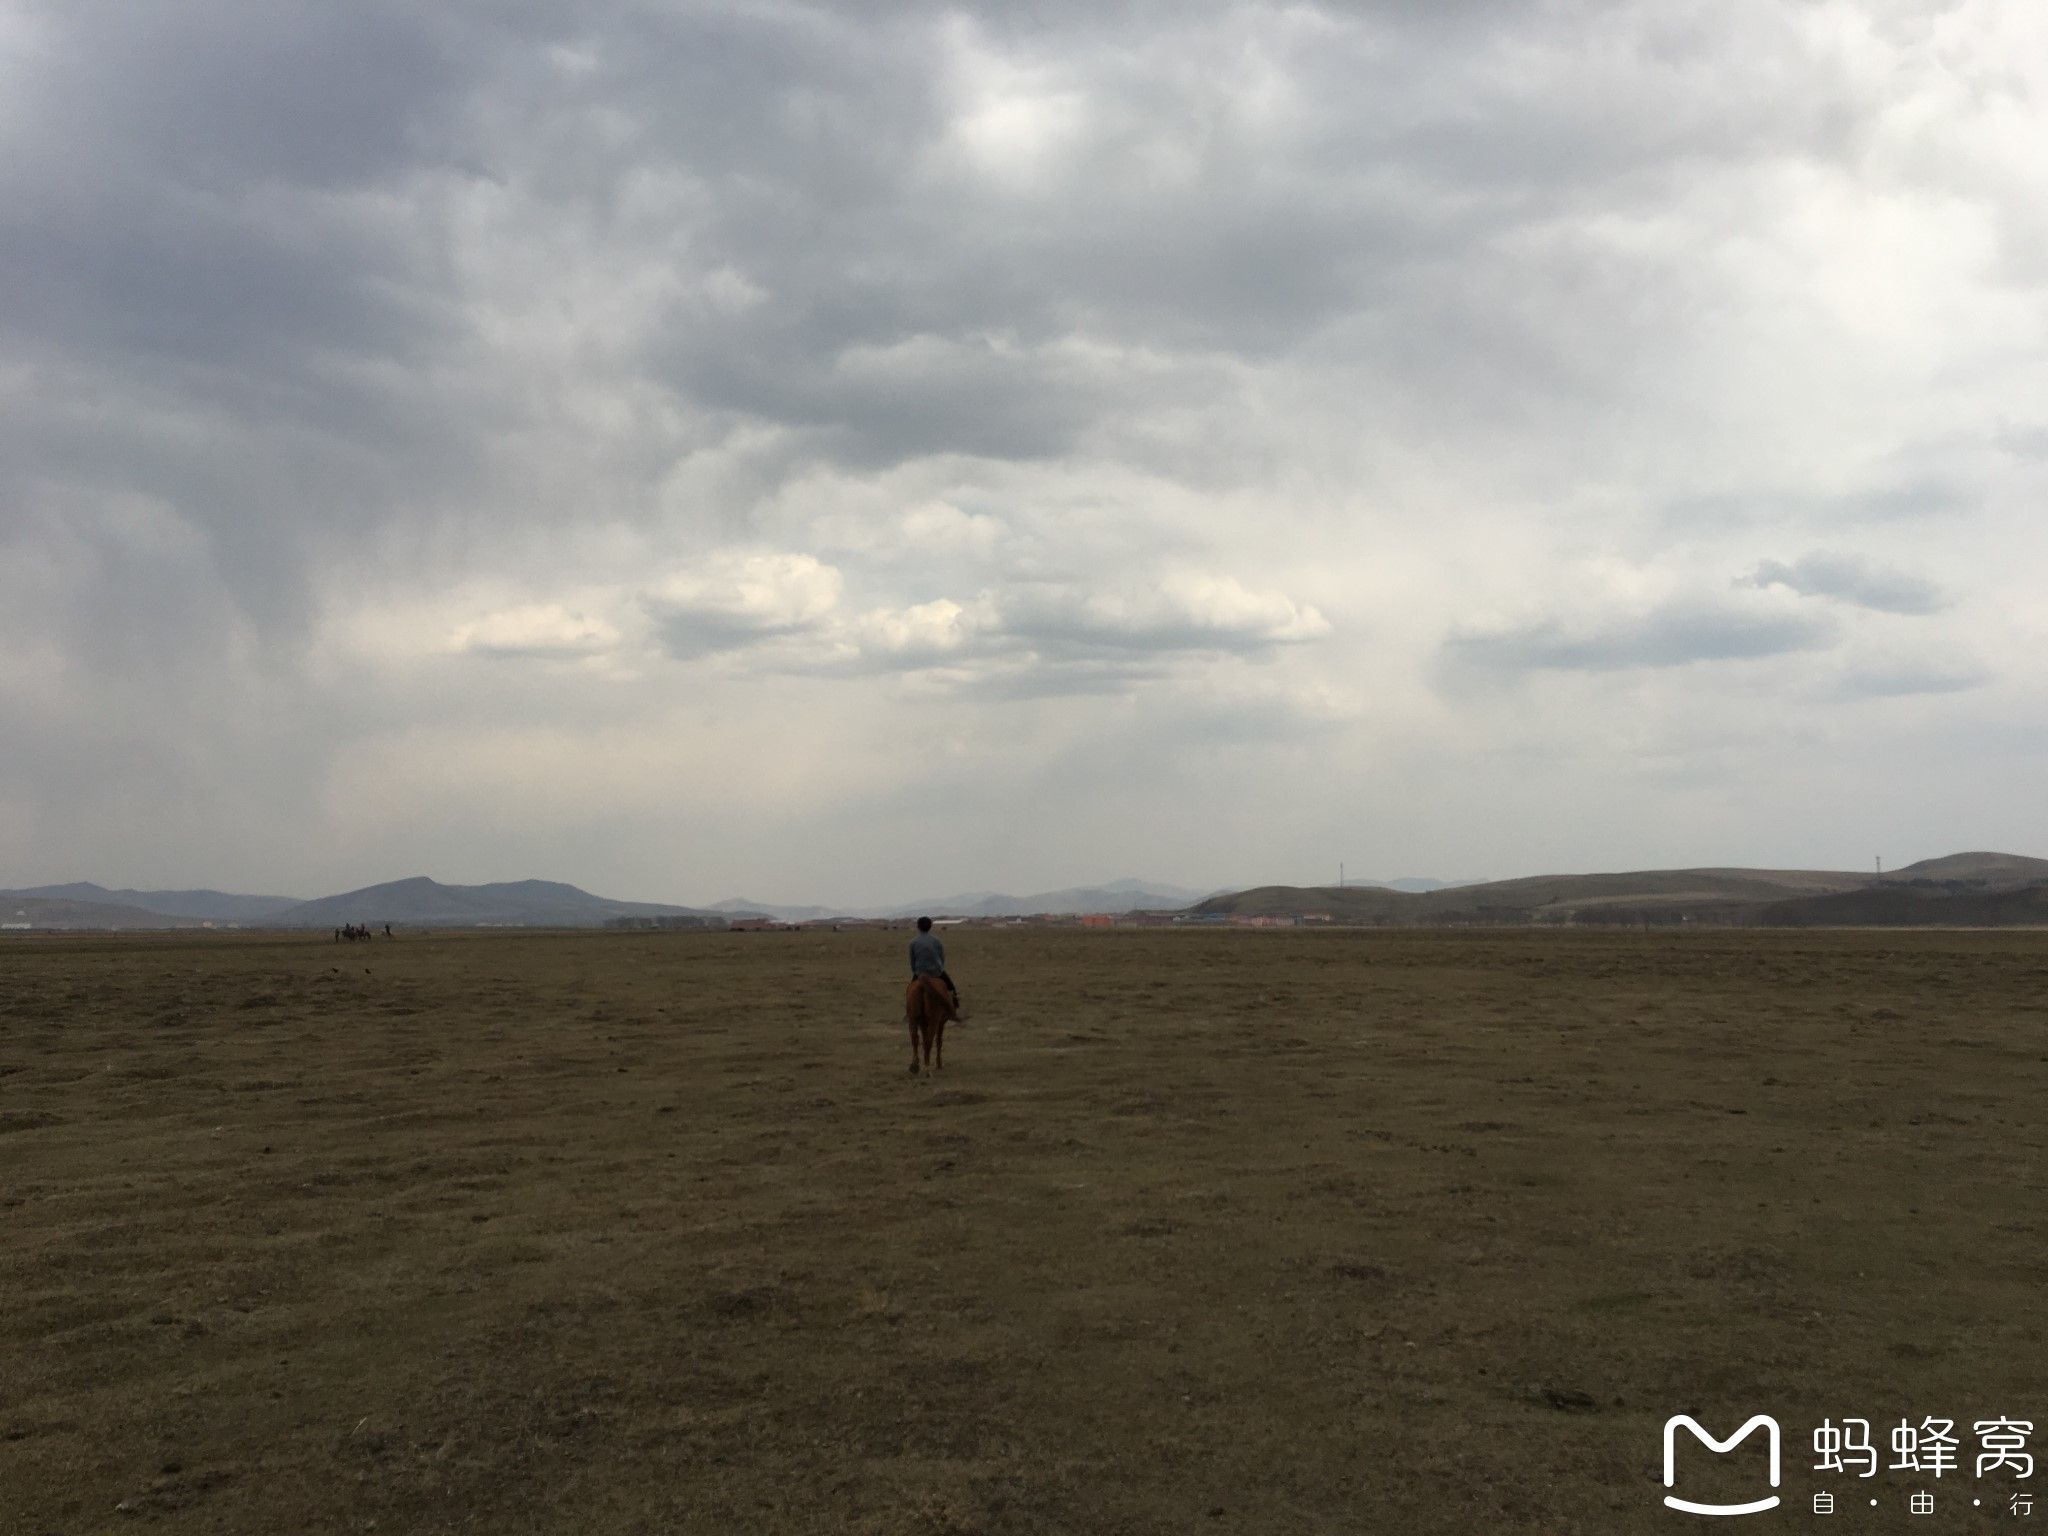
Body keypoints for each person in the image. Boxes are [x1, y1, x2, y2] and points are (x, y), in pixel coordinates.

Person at [909, 916, 959, 1008]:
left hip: (920, 972)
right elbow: (941, 958)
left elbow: (912, 961)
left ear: (918, 927)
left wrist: (915, 972)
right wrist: (940, 969)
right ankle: (955, 1006)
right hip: (936, 971)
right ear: (930, 926)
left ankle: (909, 1011)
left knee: (910, 990)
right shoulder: (937, 941)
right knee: (951, 987)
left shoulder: (913, 942)